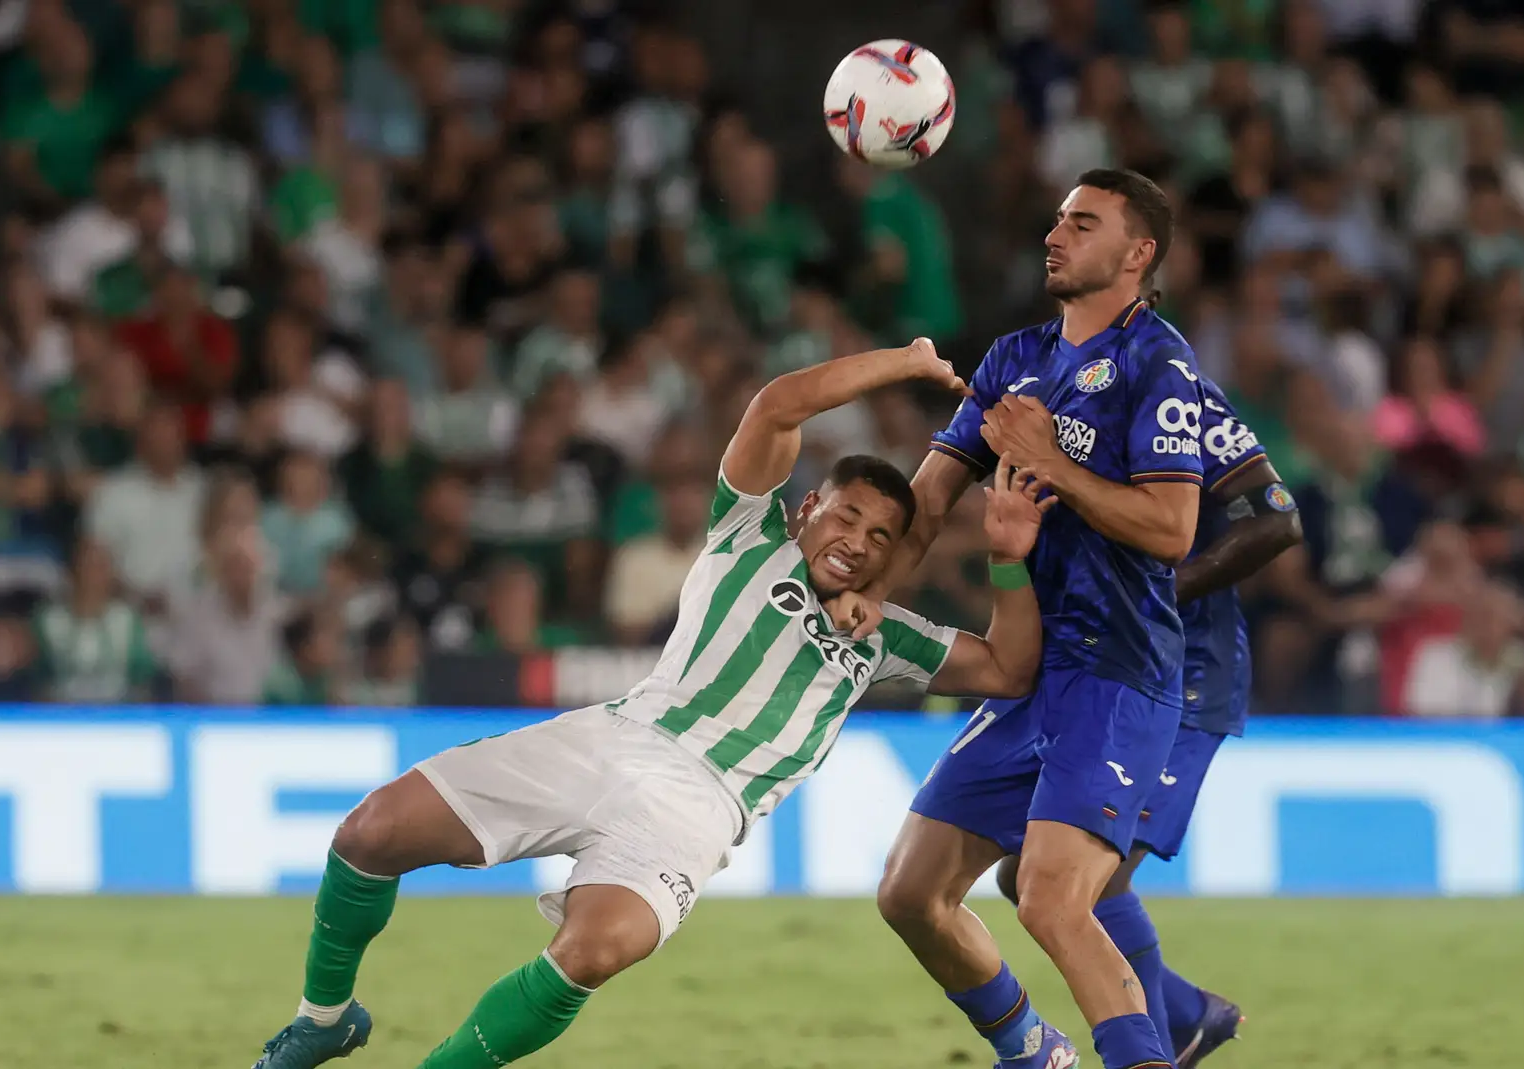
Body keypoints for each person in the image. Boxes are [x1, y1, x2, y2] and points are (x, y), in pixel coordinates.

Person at [250, 338, 1055, 1069]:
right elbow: (778, 405)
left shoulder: (888, 638)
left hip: (697, 806)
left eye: (883, 537)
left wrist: (1008, 557)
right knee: (369, 832)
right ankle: (324, 1018)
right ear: (809, 509)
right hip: (612, 735)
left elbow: (1012, 669)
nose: (860, 540)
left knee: (593, 950)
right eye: (848, 515)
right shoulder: (746, 535)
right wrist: (906, 362)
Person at [835, 168, 1208, 1069]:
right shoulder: (1011, 361)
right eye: (1056, 220)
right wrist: (867, 581)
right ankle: (1034, 1052)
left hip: (1118, 674)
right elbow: (927, 501)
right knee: (910, 891)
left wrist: (1054, 464)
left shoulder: (1161, 366)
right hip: (1027, 671)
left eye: (1083, 224)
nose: (1056, 235)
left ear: (1138, 252)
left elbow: (1173, 528)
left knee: (1047, 898)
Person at [989, 364, 1301, 1064]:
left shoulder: (1178, 396)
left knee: (1079, 883)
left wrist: (1161, 593)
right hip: (1096, 665)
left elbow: (1278, 520)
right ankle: (1186, 1016)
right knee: (1028, 877)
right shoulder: (1053, 384)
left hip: (1183, 671)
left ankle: (1159, 1042)